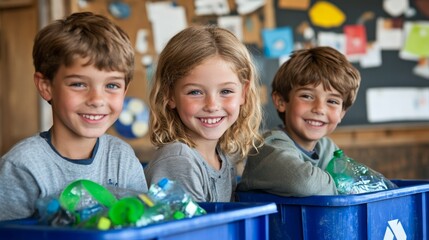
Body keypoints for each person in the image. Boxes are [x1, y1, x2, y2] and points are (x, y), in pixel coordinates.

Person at [0, 12, 148, 221]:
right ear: (46, 86)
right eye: (78, 84)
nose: (97, 99)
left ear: (124, 91)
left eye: (112, 85)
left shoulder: (122, 158)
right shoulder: (22, 166)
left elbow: (143, 224)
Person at [144, 25, 263, 202]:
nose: (212, 105)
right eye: (195, 92)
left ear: (243, 93)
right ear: (170, 95)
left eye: (226, 91)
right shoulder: (179, 160)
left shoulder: (223, 156)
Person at [237, 46, 361, 197]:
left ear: (342, 113)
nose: (319, 109)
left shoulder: (327, 148)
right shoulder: (269, 148)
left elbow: (353, 183)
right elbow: (305, 183)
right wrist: (343, 186)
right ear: (281, 101)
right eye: (307, 96)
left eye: (332, 101)